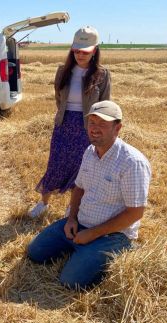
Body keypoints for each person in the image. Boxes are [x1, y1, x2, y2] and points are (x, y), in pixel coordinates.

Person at [26, 101, 150, 289]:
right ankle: (81, 250)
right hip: (81, 224)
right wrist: (71, 219)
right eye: (92, 123)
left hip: (113, 234)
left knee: (71, 281)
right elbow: (79, 188)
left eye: (102, 124)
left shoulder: (132, 163)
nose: (95, 129)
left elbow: (135, 213)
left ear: (118, 128)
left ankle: (122, 250)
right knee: (35, 252)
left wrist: (92, 234)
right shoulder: (89, 152)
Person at [30, 26, 112, 218]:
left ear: (95, 51)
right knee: (55, 163)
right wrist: (64, 116)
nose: (79, 55)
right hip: (64, 124)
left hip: (87, 128)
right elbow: (59, 99)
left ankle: (72, 208)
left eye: (84, 51)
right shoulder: (63, 71)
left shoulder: (102, 75)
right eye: (76, 51)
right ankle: (43, 204)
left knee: (81, 168)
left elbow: (105, 104)